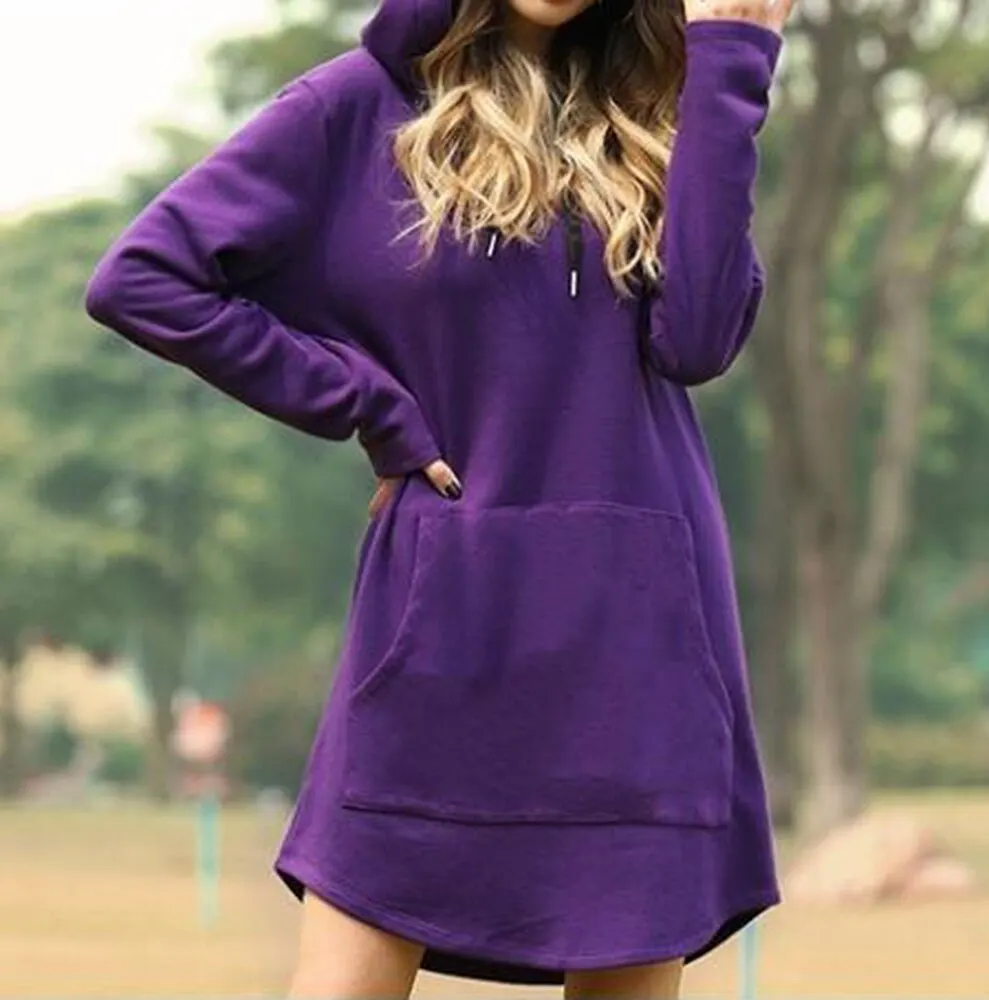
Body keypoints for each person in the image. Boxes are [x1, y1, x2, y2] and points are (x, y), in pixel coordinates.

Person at [85, 0, 794, 995]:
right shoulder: (355, 106)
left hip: (638, 625)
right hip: (445, 607)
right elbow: (147, 278)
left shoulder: (661, 114)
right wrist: (362, 399)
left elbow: (700, 338)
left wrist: (733, 60)